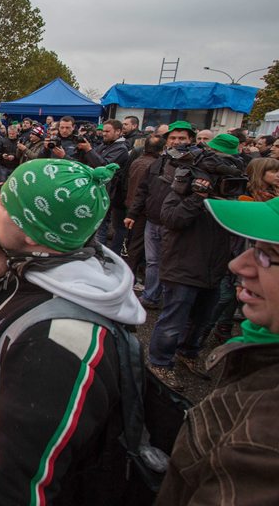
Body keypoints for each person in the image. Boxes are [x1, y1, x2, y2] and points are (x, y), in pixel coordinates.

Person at [0, 158, 146, 505]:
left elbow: (21, 486)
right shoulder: (43, 263)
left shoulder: (59, 342)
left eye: (5, 202)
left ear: (33, 232)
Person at [155, 196, 279, 505]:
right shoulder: (259, 354)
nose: (238, 264)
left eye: (268, 255)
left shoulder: (266, 441)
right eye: (252, 246)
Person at [147, 133, 245, 391]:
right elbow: (171, 219)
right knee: (174, 319)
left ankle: (188, 352)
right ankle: (159, 362)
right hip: (183, 263)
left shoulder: (231, 192)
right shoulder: (185, 184)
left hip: (215, 266)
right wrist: (197, 197)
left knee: (202, 318)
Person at [124, 121, 196, 310]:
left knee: (172, 263)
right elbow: (143, 190)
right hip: (152, 219)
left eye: (182, 138)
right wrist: (132, 213)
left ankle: (170, 299)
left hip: (176, 223)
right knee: (152, 261)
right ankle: (150, 296)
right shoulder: (158, 162)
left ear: (191, 140)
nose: (176, 142)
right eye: (173, 138)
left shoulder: (197, 164)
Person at [76, 120, 130, 255]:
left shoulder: (121, 149)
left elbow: (103, 168)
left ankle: (100, 256)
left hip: (109, 194)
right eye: (103, 131)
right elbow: (88, 163)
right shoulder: (104, 145)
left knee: (101, 227)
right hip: (97, 192)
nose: (103, 134)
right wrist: (82, 150)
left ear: (118, 132)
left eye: (107, 131)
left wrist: (89, 149)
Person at [124, 134, 166, 274]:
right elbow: (142, 191)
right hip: (141, 211)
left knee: (133, 245)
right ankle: (131, 276)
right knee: (136, 247)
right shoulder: (154, 165)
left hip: (133, 207)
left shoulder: (137, 161)